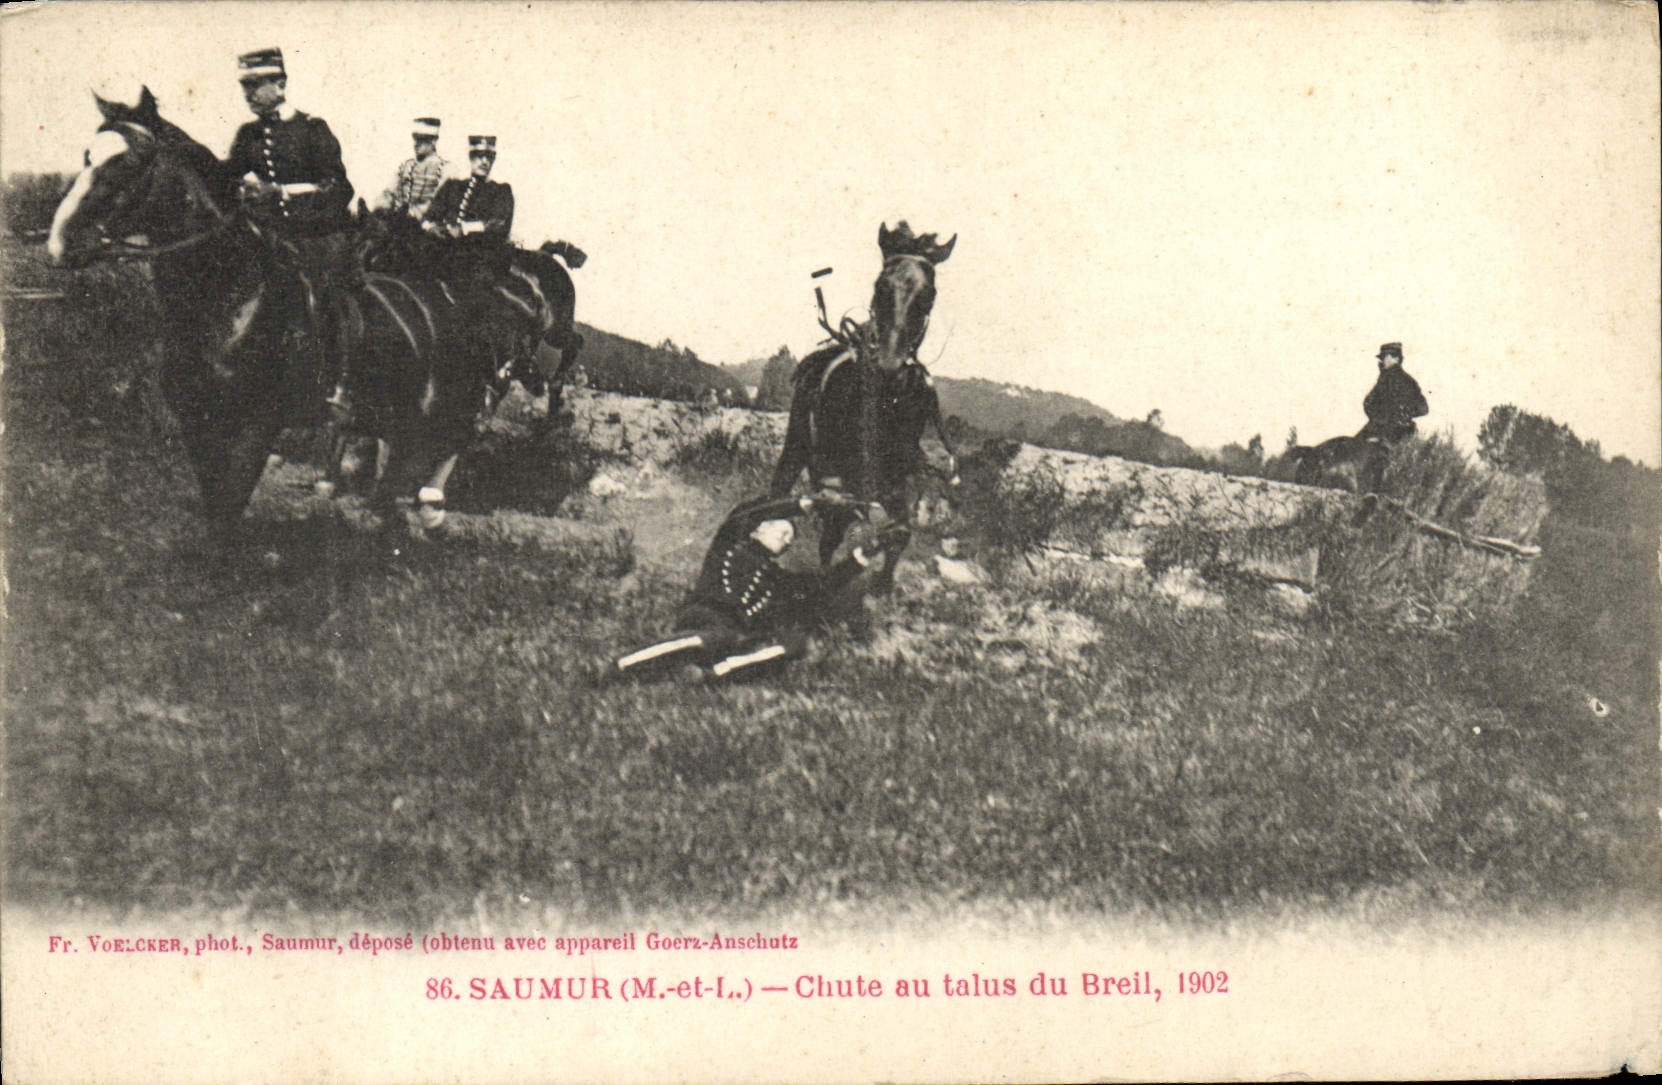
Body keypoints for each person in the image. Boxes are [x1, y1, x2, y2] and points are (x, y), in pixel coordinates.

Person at [606, 495, 884, 684]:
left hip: (736, 636)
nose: (786, 537)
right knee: (711, 637)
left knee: (794, 643)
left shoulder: (777, 577)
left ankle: (715, 675)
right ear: (756, 531)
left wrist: (861, 557)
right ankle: (621, 666)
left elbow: (820, 585)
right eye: (779, 528)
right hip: (705, 617)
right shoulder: (729, 546)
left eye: (789, 536)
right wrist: (804, 505)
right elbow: (746, 514)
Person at [223, 47, 356, 414]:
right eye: (244, 86)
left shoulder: (312, 128)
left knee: (323, 297)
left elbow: (340, 188)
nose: (248, 94)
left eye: (255, 85)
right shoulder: (247, 135)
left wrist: (281, 193)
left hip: (317, 235)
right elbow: (226, 177)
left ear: (280, 85)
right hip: (271, 236)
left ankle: (338, 384)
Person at [381, 117, 449, 221]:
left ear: (434, 141)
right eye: (415, 138)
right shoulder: (405, 166)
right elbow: (389, 193)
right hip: (398, 221)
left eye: (422, 139)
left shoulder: (445, 168)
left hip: (426, 224)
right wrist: (382, 207)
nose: (416, 143)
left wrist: (414, 213)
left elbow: (441, 203)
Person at [1360, 341, 1428, 444]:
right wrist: (1405, 414)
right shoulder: (1410, 381)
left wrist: (1382, 417)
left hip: (1382, 431)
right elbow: (1423, 409)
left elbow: (1369, 403)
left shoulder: (1386, 377)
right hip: (1406, 433)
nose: (1382, 361)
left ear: (1395, 358)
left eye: (1384, 357)